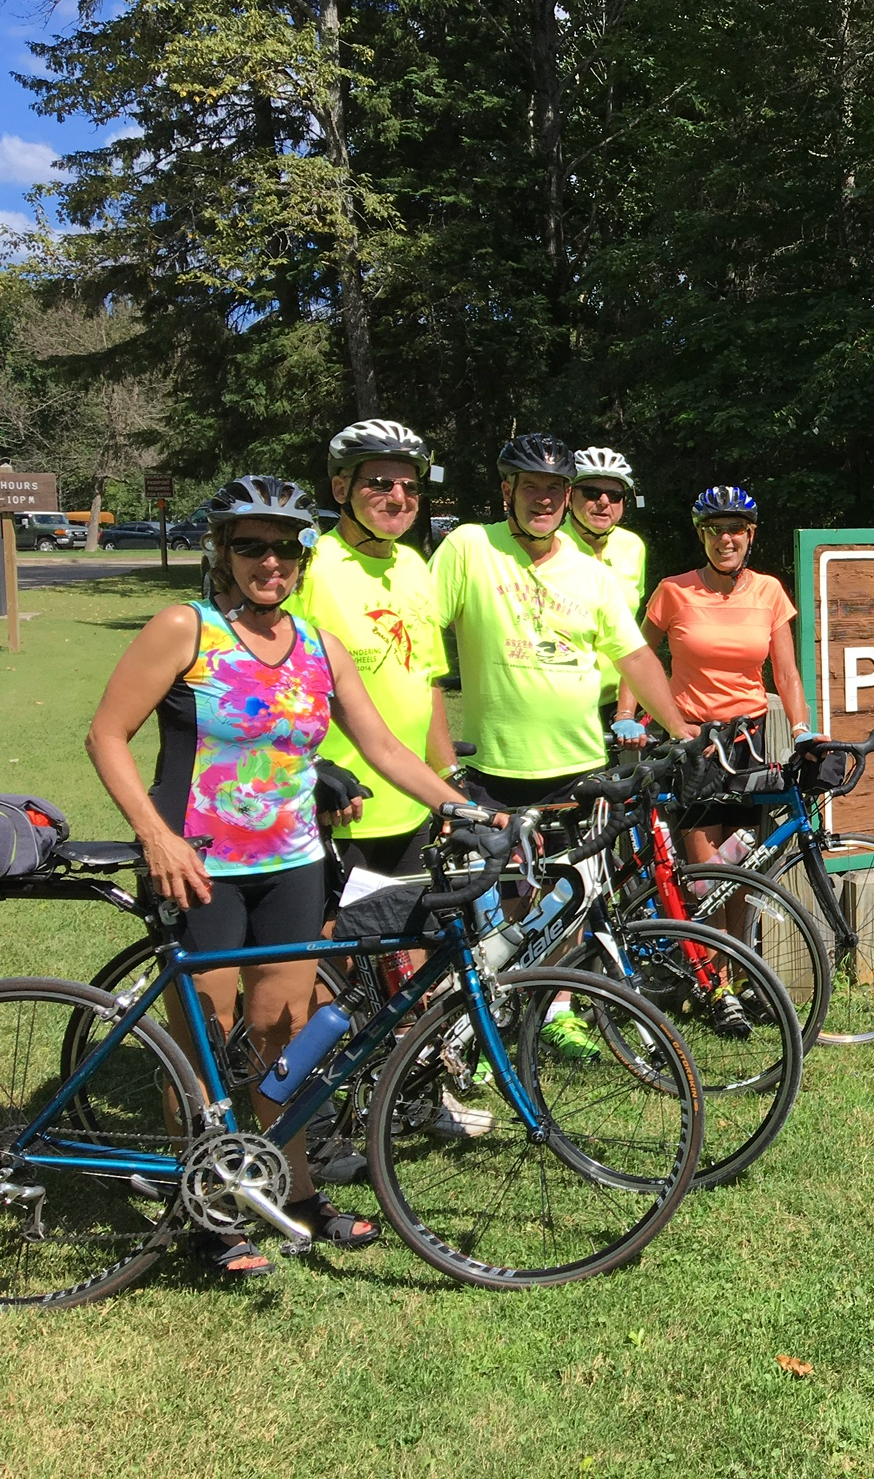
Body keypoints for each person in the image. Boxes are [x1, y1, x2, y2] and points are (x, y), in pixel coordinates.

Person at [83, 476, 484, 1280]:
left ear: (303, 557)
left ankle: (296, 1192)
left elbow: (383, 747)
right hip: (200, 866)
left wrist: (467, 807)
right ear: (222, 553)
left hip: (293, 863)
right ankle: (204, 1207)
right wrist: (156, 837)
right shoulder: (186, 628)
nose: (270, 562)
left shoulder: (317, 645)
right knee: (205, 1037)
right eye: (251, 546)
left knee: (286, 1034)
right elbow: (106, 734)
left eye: (286, 548)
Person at [430, 434, 685, 1055]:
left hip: (577, 769)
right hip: (492, 767)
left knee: (572, 897)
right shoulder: (469, 546)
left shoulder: (591, 573)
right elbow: (424, 654)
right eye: (531, 486)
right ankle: (478, 1026)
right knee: (491, 910)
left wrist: (683, 732)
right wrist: (442, 769)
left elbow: (634, 656)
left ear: (565, 497)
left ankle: (558, 1011)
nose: (543, 499)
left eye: (554, 488)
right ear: (507, 491)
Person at [296, 418, 455, 881]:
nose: (399, 497)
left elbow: (427, 680)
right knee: (338, 928)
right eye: (381, 483)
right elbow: (273, 686)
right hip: (340, 805)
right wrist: (313, 770)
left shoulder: (414, 565)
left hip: (412, 803)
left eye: (410, 486)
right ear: (341, 488)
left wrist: (447, 774)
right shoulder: (310, 568)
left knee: (417, 925)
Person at [639, 484, 814, 872]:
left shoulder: (769, 590)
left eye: (735, 528)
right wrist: (625, 715)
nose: (725, 538)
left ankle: (735, 918)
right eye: (714, 529)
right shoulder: (673, 590)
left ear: (750, 534)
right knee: (707, 873)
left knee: (742, 870)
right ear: (701, 535)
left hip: (748, 741)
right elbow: (636, 657)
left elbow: (786, 672)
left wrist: (800, 729)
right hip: (693, 739)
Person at [564, 446, 649, 727]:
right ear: (569, 495)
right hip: (561, 700)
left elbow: (630, 628)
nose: (603, 502)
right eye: (591, 492)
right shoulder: (549, 543)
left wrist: (627, 708)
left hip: (617, 701)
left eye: (614, 495)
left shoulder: (633, 546)